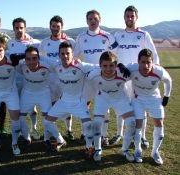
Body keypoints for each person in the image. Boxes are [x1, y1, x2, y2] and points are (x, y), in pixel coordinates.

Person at [113, 5, 160, 148]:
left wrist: (150, 75)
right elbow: (112, 54)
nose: (129, 18)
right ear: (124, 18)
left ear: (136, 17)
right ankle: (118, 133)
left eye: (132, 16)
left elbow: (154, 57)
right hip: (122, 77)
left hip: (139, 78)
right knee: (121, 106)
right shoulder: (117, 35)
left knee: (141, 106)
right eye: (127, 16)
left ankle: (143, 136)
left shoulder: (144, 35)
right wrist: (119, 65)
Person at [74, 9, 118, 145]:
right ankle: (85, 132)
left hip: (104, 77)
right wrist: (79, 63)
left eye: (95, 19)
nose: (93, 21)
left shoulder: (108, 36)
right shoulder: (81, 37)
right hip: (88, 78)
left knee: (104, 107)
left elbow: (116, 56)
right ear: (86, 21)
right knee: (84, 105)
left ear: (100, 20)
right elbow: (74, 56)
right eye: (90, 19)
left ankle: (104, 135)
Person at [45, 41, 96, 157]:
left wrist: (119, 67)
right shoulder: (56, 66)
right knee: (47, 122)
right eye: (62, 54)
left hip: (79, 102)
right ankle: (60, 140)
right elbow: (41, 59)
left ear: (73, 54)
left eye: (68, 53)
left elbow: (99, 67)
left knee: (87, 125)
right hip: (63, 101)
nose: (65, 56)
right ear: (58, 55)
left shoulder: (81, 66)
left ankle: (89, 147)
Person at [88, 51, 135, 162]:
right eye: (105, 66)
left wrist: (122, 65)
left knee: (132, 123)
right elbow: (83, 70)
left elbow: (137, 66)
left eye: (111, 65)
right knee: (97, 123)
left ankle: (125, 149)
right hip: (103, 98)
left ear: (116, 65)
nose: (108, 69)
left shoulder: (123, 73)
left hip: (121, 99)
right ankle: (98, 149)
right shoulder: (93, 74)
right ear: (100, 66)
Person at [128, 49, 172, 165]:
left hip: (154, 99)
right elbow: (115, 69)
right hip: (138, 99)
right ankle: (138, 150)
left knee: (159, 124)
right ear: (138, 62)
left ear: (153, 62)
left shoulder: (159, 71)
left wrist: (166, 96)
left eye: (149, 62)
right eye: (143, 62)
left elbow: (168, 81)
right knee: (138, 124)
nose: (146, 65)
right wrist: (121, 67)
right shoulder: (132, 68)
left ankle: (155, 152)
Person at [14, 46, 57, 152]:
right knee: (20, 116)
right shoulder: (21, 66)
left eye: (34, 58)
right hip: (27, 93)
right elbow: (10, 59)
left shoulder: (47, 66)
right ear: (25, 59)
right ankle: (27, 138)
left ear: (39, 58)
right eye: (28, 59)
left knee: (47, 118)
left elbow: (60, 63)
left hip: (44, 93)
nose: (31, 62)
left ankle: (46, 139)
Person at [39, 15, 75, 141]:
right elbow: (39, 57)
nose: (55, 28)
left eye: (58, 26)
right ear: (50, 27)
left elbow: (77, 57)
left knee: (68, 103)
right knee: (49, 107)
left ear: (62, 27)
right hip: (50, 80)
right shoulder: (44, 43)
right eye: (53, 26)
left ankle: (69, 129)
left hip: (65, 78)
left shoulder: (70, 42)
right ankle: (49, 132)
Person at [7, 17, 41, 141]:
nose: (19, 30)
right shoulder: (9, 43)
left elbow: (48, 46)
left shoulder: (33, 42)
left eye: (21, 28)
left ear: (25, 28)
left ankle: (34, 128)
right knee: (17, 107)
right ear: (13, 29)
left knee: (32, 107)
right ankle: (22, 130)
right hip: (14, 81)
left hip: (29, 80)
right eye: (16, 28)